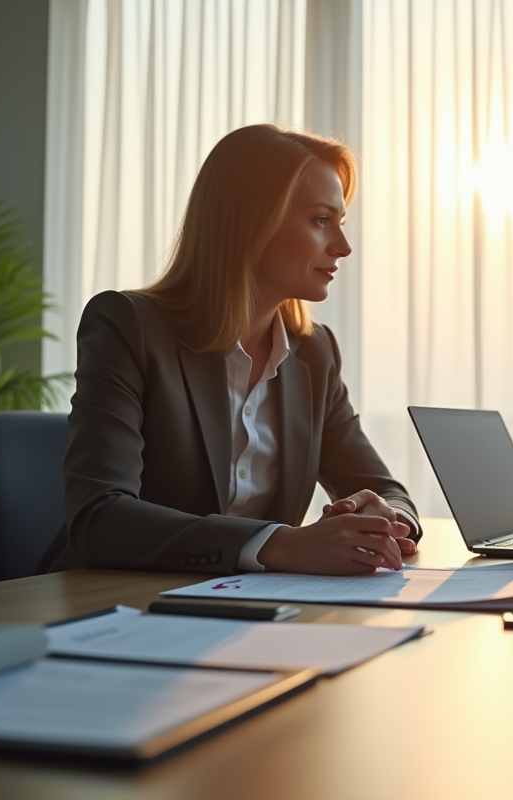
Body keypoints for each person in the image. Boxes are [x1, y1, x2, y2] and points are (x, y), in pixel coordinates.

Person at [37, 124, 419, 577]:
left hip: (244, 610)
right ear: (251, 221)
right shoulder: (128, 326)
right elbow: (100, 517)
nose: (343, 245)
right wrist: (280, 545)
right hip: (108, 607)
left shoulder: (315, 352)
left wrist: (390, 519)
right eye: (321, 221)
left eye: (340, 222)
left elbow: (383, 488)